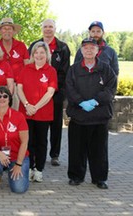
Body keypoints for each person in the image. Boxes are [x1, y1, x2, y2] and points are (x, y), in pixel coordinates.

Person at [66, 38, 117, 189]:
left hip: (99, 117)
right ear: (81, 51)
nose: (88, 50)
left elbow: (110, 89)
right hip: (79, 116)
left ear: (97, 51)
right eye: (85, 48)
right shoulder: (73, 69)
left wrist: (95, 101)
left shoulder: (106, 69)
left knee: (99, 151)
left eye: (92, 48)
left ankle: (99, 178)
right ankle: (76, 176)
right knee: (76, 150)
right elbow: (69, 89)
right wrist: (81, 102)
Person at [28, 18, 71, 167]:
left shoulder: (63, 48)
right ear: (42, 29)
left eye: (50, 27)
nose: (48, 29)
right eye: (45, 26)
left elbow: (65, 72)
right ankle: (34, 155)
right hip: (36, 95)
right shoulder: (34, 45)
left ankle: (54, 154)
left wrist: (52, 90)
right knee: (37, 127)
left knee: (56, 125)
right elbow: (29, 66)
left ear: (55, 28)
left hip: (55, 93)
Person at [17, 41, 57, 182]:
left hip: (43, 114)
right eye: (36, 52)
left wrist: (35, 107)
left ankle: (39, 169)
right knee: (28, 142)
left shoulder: (51, 71)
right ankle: (29, 167)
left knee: (41, 142)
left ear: (47, 54)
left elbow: (50, 92)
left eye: (42, 52)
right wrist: (27, 105)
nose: (39, 55)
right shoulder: (25, 69)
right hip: (26, 112)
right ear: (32, 54)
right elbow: (19, 88)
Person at [0, 86, 29, 193]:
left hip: (17, 157)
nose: (2, 98)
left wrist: (18, 164)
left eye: (5, 96)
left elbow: (24, 142)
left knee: (19, 189)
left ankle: (15, 170)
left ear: (10, 99)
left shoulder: (19, 116)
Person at [0, 17, 30, 110]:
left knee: (16, 114)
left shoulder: (21, 46)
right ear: (0, 31)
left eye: (9, 28)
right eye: (4, 28)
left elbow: (27, 66)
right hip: (0, 86)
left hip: (18, 87)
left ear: (14, 31)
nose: (7, 31)